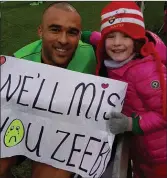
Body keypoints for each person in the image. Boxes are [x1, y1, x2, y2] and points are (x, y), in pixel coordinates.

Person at [0, 2, 98, 178]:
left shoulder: (89, 54)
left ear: (80, 34)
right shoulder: (19, 62)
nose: (63, 39)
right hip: (23, 126)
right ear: (40, 32)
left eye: (72, 32)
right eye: (55, 29)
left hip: (63, 134)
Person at [95, 1, 166, 178]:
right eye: (111, 37)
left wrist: (130, 124)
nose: (117, 43)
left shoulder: (146, 71)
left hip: (161, 157)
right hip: (140, 152)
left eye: (125, 36)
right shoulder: (115, 64)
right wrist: (88, 36)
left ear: (137, 40)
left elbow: (164, 113)